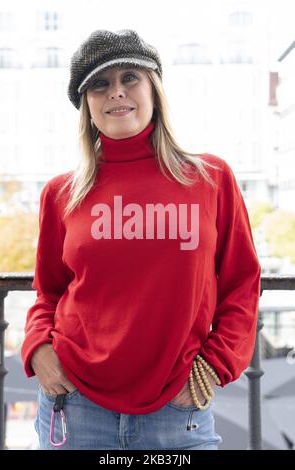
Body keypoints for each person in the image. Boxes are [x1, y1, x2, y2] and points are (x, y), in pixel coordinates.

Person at [21, 29, 261, 451]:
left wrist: (215, 365)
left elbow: (242, 282)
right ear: (86, 105)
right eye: (99, 83)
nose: (116, 92)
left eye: (129, 77)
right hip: (74, 406)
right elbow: (49, 293)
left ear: (155, 89)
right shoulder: (61, 192)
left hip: (176, 409)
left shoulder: (208, 178)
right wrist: (39, 348)